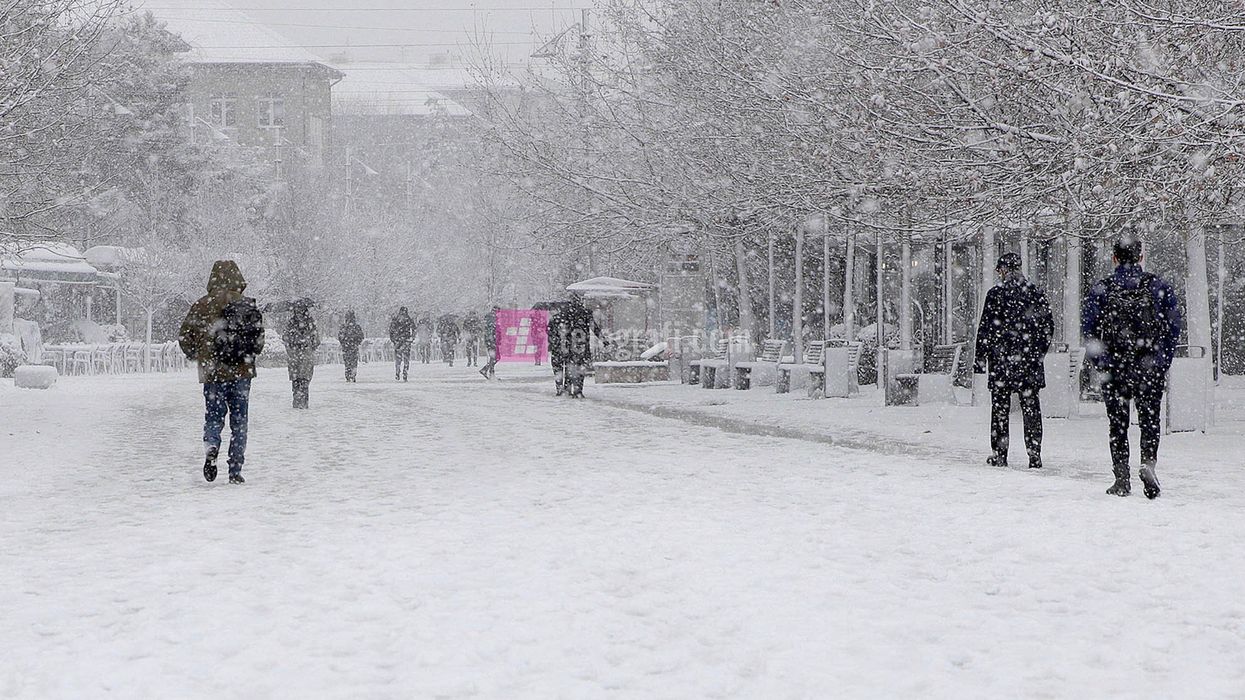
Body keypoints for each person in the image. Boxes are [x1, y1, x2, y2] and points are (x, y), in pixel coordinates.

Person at [1083, 234, 1182, 499]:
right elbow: (1173, 327)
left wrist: (1101, 362)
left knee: (1118, 424)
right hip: (1148, 366)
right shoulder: (1158, 286)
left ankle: (1121, 478)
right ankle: (1148, 463)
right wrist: (1161, 361)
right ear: (1140, 257)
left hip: (1115, 366)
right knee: (1150, 420)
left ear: (1114, 258)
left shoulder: (1102, 289)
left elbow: (1089, 330)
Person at [178, 260, 264, 485]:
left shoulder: (201, 305)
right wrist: (245, 355)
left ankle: (212, 446)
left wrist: (198, 354)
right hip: (242, 372)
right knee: (240, 420)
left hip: (213, 372)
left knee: (214, 415)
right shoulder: (247, 304)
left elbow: (184, 337)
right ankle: (235, 469)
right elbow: (258, 342)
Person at [973, 253, 1054, 470]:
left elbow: (985, 329)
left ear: (1004, 270)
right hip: (1029, 362)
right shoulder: (1035, 293)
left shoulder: (996, 294)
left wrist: (981, 359)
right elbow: (1048, 328)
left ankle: (1000, 454)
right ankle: (1034, 454)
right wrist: (1038, 353)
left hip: (1001, 361)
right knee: (1031, 409)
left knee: (1000, 408)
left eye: (1000, 270)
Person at [546, 295, 601, 398]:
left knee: (560, 369)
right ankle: (577, 390)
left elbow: (549, 330)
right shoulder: (585, 314)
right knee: (577, 369)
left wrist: (553, 342)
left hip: (562, 347)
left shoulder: (560, 316)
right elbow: (595, 328)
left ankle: (562, 389)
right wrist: (604, 340)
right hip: (580, 347)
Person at [282, 300, 320, 409]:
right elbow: (316, 340)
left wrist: (291, 348)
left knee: (296, 379)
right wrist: (309, 347)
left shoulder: (291, 323)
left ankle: (296, 399)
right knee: (304, 379)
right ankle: (303, 401)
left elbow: (285, 338)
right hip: (306, 354)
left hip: (294, 355)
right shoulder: (310, 322)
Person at [388, 306, 415, 381]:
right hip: (405, 340)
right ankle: (405, 372)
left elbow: (391, 331)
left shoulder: (396, 320)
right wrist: (411, 338)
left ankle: (398, 371)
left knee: (398, 358)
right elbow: (414, 329)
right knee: (406, 358)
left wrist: (393, 339)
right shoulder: (408, 319)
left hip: (398, 341)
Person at [338, 310, 364, 382]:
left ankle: (348, 374)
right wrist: (356, 342)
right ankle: (352, 373)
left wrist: (343, 342)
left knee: (347, 361)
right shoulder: (356, 327)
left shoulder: (344, 327)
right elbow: (361, 336)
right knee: (353, 361)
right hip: (353, 347)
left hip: (346, 347)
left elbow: (340, 336)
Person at [479, 306, 500, 379]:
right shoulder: (493, 318)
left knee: (494, 357)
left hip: (490, 340)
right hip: (492, 340)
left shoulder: (490, 317)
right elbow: (492, 329)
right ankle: (488, 371)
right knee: (495, 357)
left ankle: (489, 372)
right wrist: (492, 339)